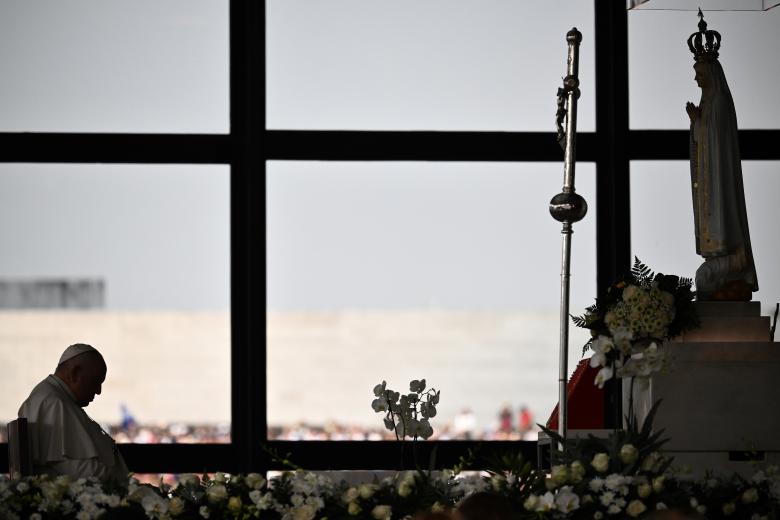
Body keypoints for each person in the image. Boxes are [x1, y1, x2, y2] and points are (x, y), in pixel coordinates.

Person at [686, 9, 757, 300]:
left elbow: (716, 140)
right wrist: (696, 122)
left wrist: (699, 122)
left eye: (700, 74)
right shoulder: (710, 104)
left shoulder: (718, 104)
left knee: (704, 278)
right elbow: (705, 141)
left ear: (711, 73)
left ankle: (729, 257)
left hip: (719, 179)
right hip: (709, 177)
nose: (697, 80)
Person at [17, 343, 128, 483]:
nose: (99, 391)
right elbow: (76, 469)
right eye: (96, 381)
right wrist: (126, 484)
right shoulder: (52, 403)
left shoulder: (58, 398)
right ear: (75, 373)